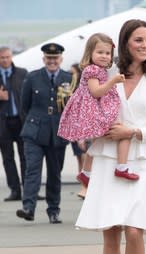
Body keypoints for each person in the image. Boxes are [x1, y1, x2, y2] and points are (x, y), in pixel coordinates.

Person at [75, 19, 146, 254]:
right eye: (138, 40)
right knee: (111, 232)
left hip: (137, 160)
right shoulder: (104, 75)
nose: (145, 46)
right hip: (106, 156)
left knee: (135, 232)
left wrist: (133, 131)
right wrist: (93, 130)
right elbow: (88, 107)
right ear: (125, 42)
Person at [58, 33, 139, 186]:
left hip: (95, 109)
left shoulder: (98, 70)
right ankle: (121, 167)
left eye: (107, 53)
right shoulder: (92, 70)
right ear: (90, 53)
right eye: (100, 52)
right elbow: (96, 92)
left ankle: (86, 173)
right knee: (124, 133)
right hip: (94, 111)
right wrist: (113, 81)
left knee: (97, 143)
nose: (104, 56)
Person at [15, 43, 72, 224]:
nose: (52, 61)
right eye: (49, 58)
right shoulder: (33, 78)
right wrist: (33, 124)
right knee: (33, 170)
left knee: (55, 173)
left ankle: (53, 210)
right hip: (34, 132)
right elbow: (24, 106)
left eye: (55, 58)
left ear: (61, 59)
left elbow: (72, 108)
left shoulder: (69, 79)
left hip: (58, 133)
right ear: (44, 59)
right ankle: (28, 207)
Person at [0, 46, 27, 201]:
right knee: (7, 158)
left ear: (11, 57)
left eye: (7, 57)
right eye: (2, 57)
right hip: (3, 123)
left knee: (26, 157)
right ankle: (15, 191)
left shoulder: (22, 73)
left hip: (20, 121)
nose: (5, 60)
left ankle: (29, 189)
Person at [68, 63, 88, 199]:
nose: (71, 76)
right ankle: (83, 182)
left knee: (85, 156)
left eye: (72, 73)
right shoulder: (70, 89)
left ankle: (86, 185)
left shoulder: (83, 90)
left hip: (83, 127)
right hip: (74, 127)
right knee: (79, 157)